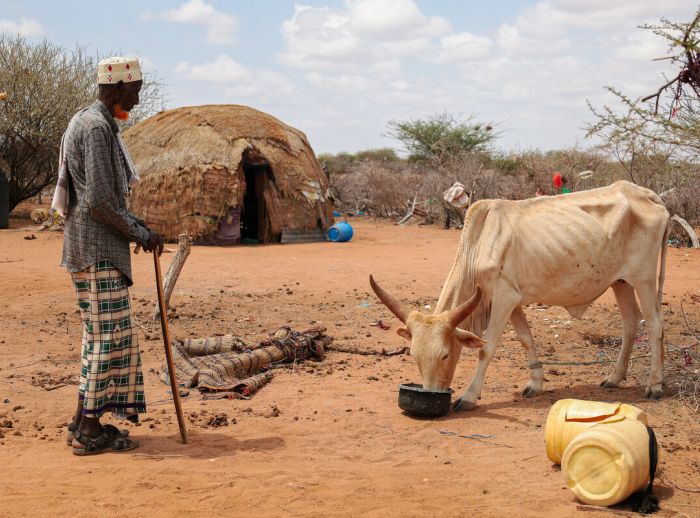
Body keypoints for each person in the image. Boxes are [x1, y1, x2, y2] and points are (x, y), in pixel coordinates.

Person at [51, 57, 164, 455]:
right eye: (134, 91)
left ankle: (82, 420)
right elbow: (99, 200)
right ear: (117, 89)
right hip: (97, 250)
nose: (136, 99)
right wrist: (138, 232)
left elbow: (100, 197)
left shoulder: (89, 121)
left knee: (99, 337)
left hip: (88, 247)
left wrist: (138, 225)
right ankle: (89, 431)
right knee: (107, 340)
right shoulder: (97, 127)